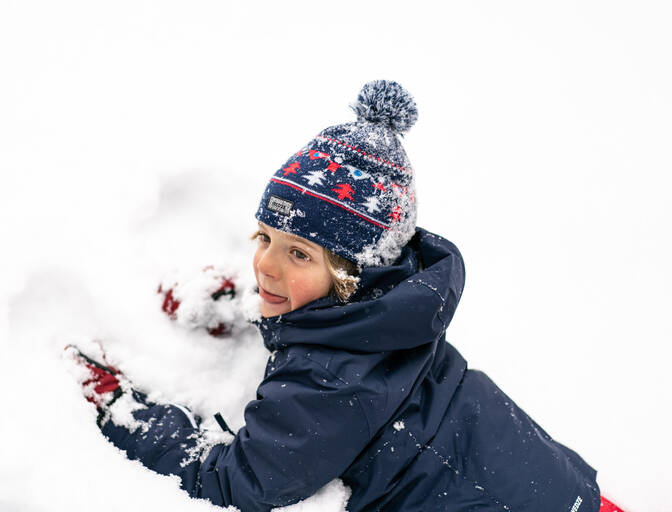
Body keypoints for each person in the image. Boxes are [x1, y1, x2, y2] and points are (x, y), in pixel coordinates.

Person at [67, 81, 622, 512]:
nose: (264, 263)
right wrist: (245, 300)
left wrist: (132, 414)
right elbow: (326, 321)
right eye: (264, 237)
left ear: (354, 276)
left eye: (298, 254)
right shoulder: (397, 313)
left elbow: (243, 479)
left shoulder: (326, 385)